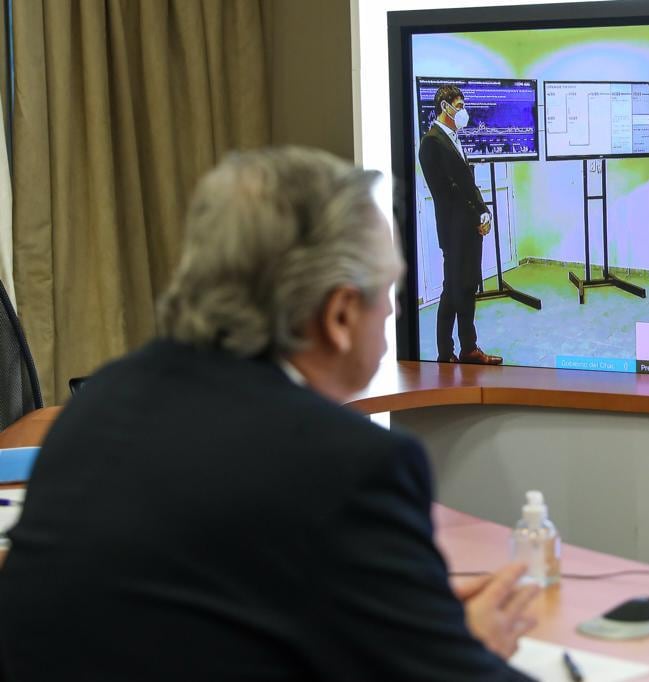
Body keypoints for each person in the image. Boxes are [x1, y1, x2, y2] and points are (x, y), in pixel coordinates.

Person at [0, 148, 538, 681]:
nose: (395, 309)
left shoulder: (99, 405)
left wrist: (411, 617)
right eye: (388, 290)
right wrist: (468, 646)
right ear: (340, 314)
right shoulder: (352, 466)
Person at [419, 84, 503, 365]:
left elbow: (468, 182)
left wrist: (484, 212)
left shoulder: (454, 137)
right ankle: (446, 354)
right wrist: (474, 216)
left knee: (465, 289)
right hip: (454, 230)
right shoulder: (431, 142)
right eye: (460, 106)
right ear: (445, 107)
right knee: (452, 291)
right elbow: (447, 192)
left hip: (469, 227)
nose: (464, 111)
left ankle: (468, 349)